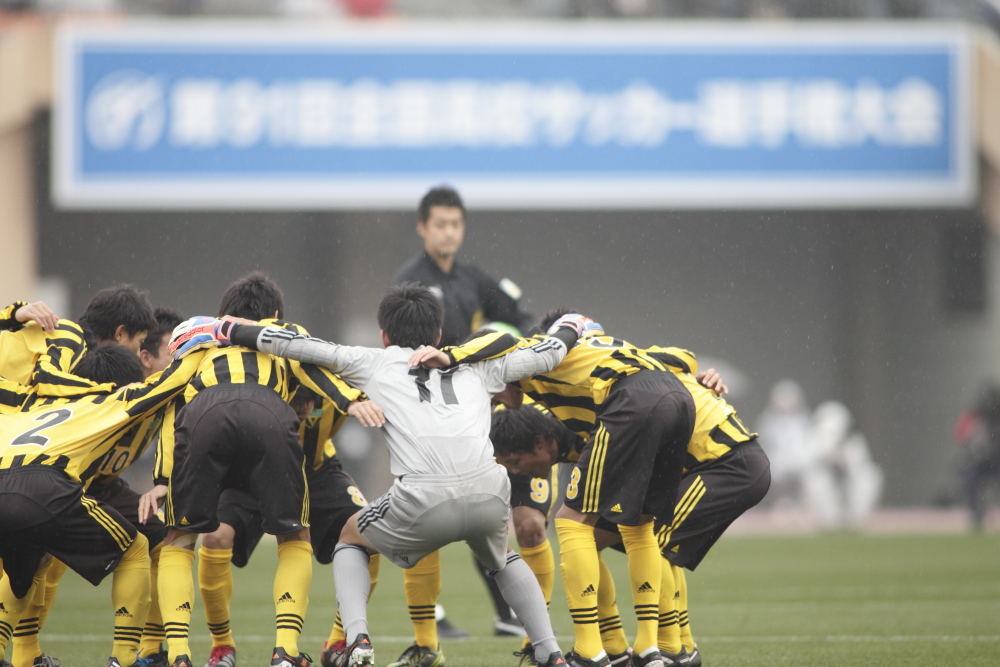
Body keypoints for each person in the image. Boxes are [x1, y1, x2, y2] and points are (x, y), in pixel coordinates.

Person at [167, 283, 583, 667]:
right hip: (490, 491)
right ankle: (550, 653)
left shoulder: (373, 361)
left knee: (351, 539)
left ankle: (357, 640)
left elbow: (297, 346)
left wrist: (224, 329)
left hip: (422, 496)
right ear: (438, 335)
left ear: (384, 334)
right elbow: (547, 352)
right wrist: (572, 324)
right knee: (504, 558)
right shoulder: (479, 366)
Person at [138, 272, 381, 667]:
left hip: (215, 426)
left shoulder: (200, 342)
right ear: (274, 314)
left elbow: (170, 395)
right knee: (293, 538)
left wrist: (163, 478)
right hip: (266, 422)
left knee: (179, 539)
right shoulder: (284, 334)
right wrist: (353, 400)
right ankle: (282, 650)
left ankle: (180, 655)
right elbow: (312, 366)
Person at [491, 359, 770, 667]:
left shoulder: (582, 387)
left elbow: (668, 357)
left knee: (645, 535)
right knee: (593, 539)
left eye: (515, 462)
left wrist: (698, 373)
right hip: (701, 463)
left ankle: (670, 649)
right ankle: (618, 647)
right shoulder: (566, 408)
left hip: (727, 465)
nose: (517, 471)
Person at [0, 342, 204, 667]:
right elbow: (173, 382)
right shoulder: (107, 400)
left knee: (26, 568)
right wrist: (207, 340)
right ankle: (122, 660)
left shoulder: (30, 399)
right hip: (44, 484)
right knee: (135, 547)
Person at [393, 185, 536, 639]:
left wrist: (528, 337)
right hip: (423, 405)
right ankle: (428, 617)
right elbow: (396, 342)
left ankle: (505, 614)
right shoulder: (410, 280)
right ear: (422, 227)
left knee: (482, 505)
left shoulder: (472, 278)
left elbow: (517, 314)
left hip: (469, 406)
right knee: (427, 503)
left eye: (455, 224)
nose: (449, 232)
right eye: (440, 224)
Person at [0, 290, 158, 667]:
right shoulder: (70, 333)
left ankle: (26, 656)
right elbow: (48, 378)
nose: (139, 355)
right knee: (127, 547)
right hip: (24, 458)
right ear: (120, 334)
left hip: (15, 452)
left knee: (33, 553)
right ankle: (124, 657)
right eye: (138, 344)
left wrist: (13, 313)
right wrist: (106, 396)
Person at [196, 384, 382, 667]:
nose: (299, 417)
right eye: (292, 410)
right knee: (214, 537)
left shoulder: (339, 386)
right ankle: (221, 646)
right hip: (255, 474)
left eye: (304, 411)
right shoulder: (262, 382)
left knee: (371, 531)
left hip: (316, 471)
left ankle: (338, 642)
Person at [802, 401, 883, 531]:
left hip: (847, 488)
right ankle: (830, 518)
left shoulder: (854, 443)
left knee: (870, 475)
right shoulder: (813, 441)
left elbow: (859, 468)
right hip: (828, 489)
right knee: (816, 478)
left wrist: (844, 459)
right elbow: (807, 465)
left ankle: (856, 518)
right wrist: (828, 456)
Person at [755, 379, 811, 512]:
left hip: (799, 460)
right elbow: (763, 444)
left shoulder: (803, 420)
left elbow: (807, 443)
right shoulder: (767, 420)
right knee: (772, 468)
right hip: (776, 461)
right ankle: (781, 501)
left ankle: (804, 501)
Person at [954, 385, 1000, 530]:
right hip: (977, 462)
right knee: (969, 480)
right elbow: (960, 435)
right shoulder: (972, 415)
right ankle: (976, 514)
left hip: (997, 460)